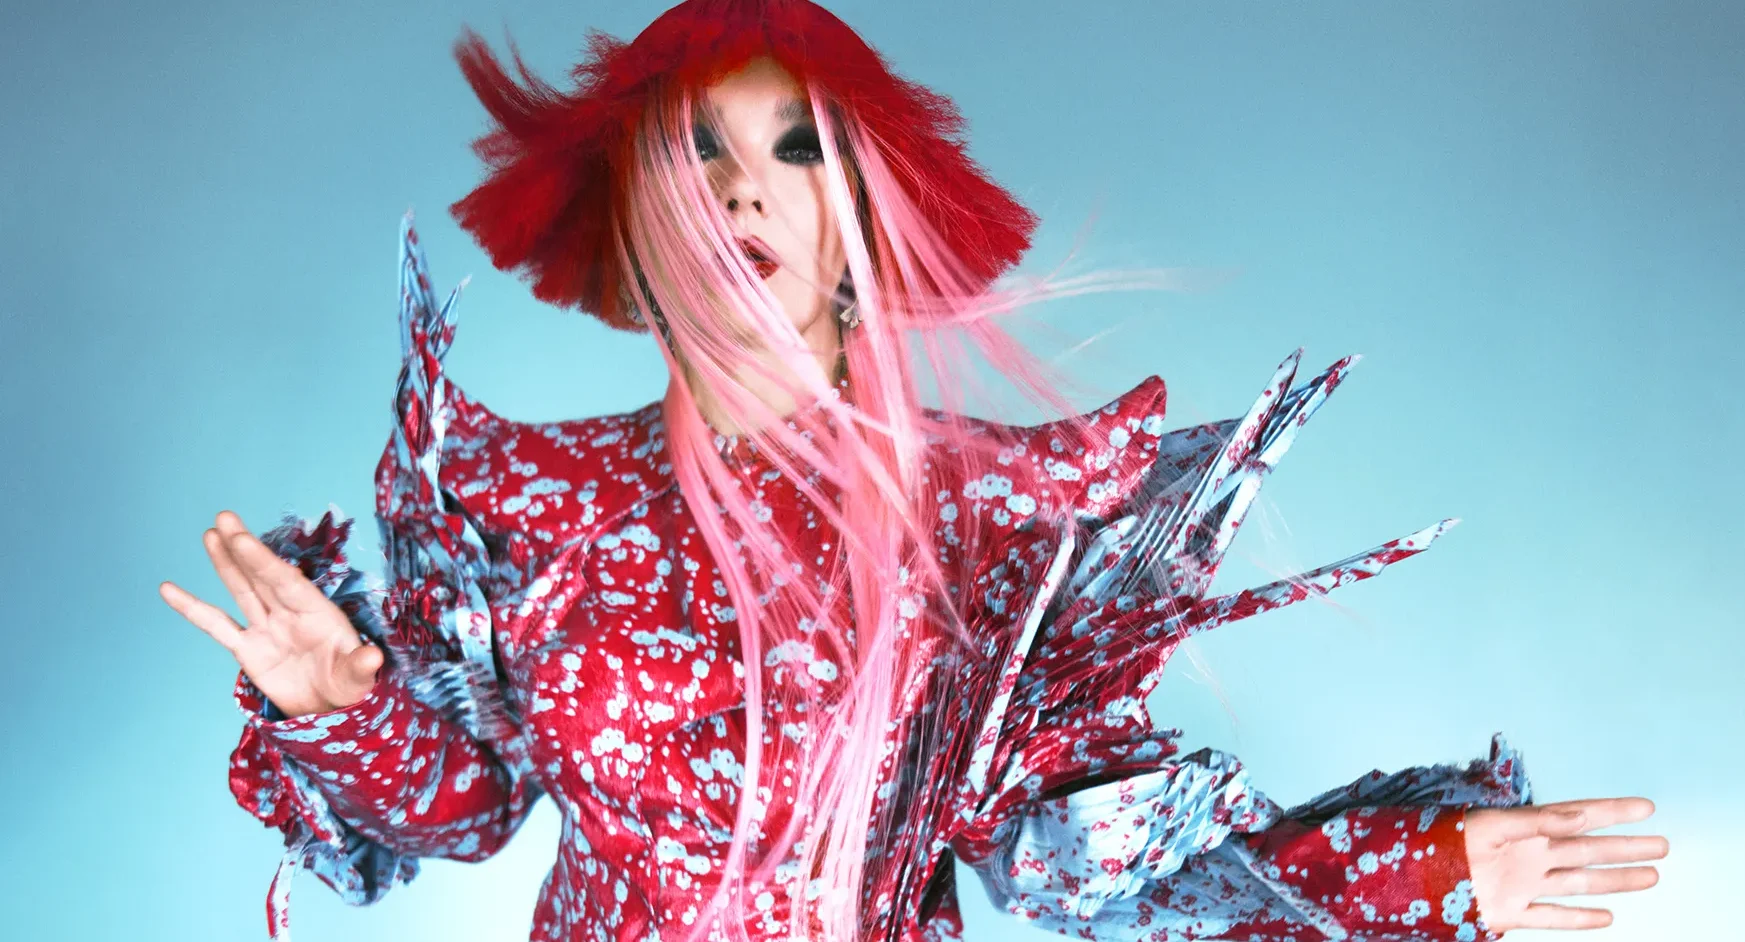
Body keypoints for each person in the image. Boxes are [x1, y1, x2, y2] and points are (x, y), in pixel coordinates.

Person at [159, 2, 1667, 940]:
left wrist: (1420, 871)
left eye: (796, 149)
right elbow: (473, 810)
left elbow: (1088, 853)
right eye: (698, 152)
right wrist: (339, 704)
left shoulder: (978, 511)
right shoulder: (529, 497)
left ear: (861, 222)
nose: (743, 189)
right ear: (634, 221)